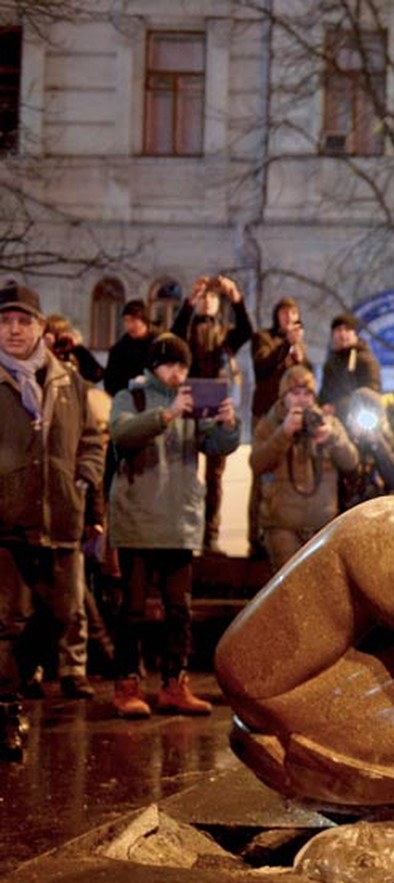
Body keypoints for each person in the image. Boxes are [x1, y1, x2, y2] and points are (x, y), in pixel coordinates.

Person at [107, 333, 240, 717]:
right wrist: (167, 414)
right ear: (153, 366)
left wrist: (228, 425)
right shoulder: (129, 397)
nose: (176, 372)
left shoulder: (192, 402)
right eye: (170, 364)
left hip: (179, 521)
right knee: (132, 610)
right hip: (136, 519)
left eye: (182, 366)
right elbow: (122, 433)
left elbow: (214, 446)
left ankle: (174, 683)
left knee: (179, 610)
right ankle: (127, 684)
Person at [0, 281, 106, 760]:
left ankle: (13, 693)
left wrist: (84, 479)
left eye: (24, 321)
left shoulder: (69, 382)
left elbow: (92, 439)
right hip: (7, 521)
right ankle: (5, 712)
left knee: (60, 615)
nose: (14, 330)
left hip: (60, 517)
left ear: (41, 328)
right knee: (7, 623)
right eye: (5, 321)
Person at [171, 274, 253, 554]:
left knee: (215, 475)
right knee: (186, 468)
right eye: (203, 298)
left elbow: (247, 330)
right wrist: (188, 302)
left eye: (212, 298)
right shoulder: (188, 328)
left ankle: (211, 535)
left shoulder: (226, 332)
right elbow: (174, 334)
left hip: (217, 400)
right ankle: (185, 530)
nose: (207, 302)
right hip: (190, 397)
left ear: (219, 304)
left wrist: (236, 297)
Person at [251, 364, 359, 568]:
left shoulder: (327, 423)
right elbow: (257, 464)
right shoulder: (269, 424)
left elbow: (351, 461)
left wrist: (332, 438)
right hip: (282, 526)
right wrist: (283, 434)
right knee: (288, 591)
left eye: (307, 393)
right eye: (295, 393)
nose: (302, 398)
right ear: (284, 396)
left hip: (323, 526)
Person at [246, 297, 310, 556]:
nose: (288, 317)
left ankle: (286, 531)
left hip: (292, 416)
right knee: (262, 474)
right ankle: (255, 535)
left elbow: (305, 377)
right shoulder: (264, 338)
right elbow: (262, 366)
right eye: (284, 313)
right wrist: (286, 345)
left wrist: (300, 355)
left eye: (293, 313)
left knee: (289, 474)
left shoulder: (299, 347)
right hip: (266, 415)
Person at [338, 385, 394, 511]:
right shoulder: (342, 440)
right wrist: (354, 440)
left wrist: (378, 443)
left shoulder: (392, 442)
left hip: (380, 508)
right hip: (347, 510)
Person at [318, 312, 382, 420]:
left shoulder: (365, 359)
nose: (342, 334)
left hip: (359, 418)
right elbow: (324, 393)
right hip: (334, 420)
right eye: (338, 330)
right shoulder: (330, 364)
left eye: (347, 330)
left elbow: (371, 391)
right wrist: (324, 405)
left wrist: (338, 407)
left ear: (354, 334)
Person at [104, 299, 155, 396]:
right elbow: (110, 384)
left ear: (144, 321)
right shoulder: (119, 350)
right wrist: (130, 384)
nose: (129, 326)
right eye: (126, 321)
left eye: (134, 320)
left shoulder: (161, 344)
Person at [43, 315, 105, 385]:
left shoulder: (73, 353)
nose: (58, 338)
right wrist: (46, 348)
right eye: (55, 333)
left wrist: (79, 349)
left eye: (62, 331)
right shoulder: (42, 353)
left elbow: (98, 374)